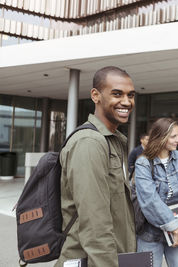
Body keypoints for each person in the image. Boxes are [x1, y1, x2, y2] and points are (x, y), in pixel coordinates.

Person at [55, 66, 137, 266]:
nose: (126, 102)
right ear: (95, 96)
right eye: (117, 94)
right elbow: (95, 225)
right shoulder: (90, 143)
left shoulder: (113, 141)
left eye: (131, 95)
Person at [134, 117, 178, 267]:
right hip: (150, 235)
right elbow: (150, 201)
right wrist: (175, 229)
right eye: (173, 136)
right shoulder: (143, 163)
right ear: (160, 137)